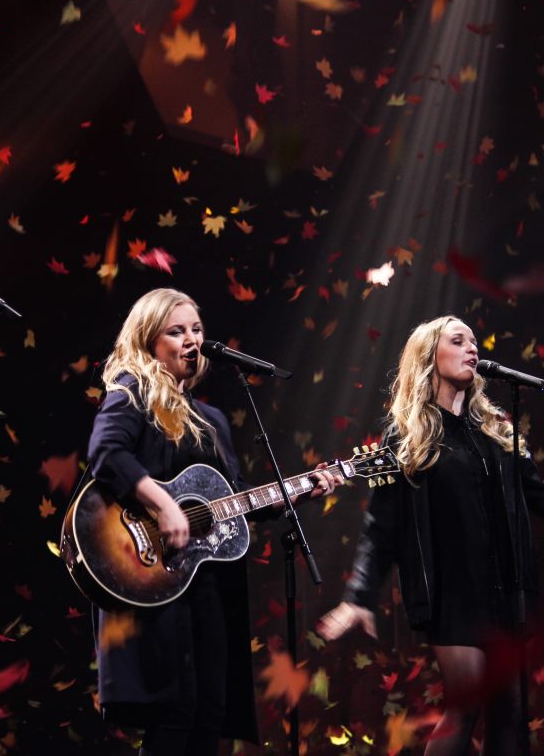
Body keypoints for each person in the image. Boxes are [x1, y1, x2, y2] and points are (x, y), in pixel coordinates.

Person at [317, 316, 544, 756]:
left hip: (504, 589)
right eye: (458, 341)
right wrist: (359, 598)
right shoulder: (407, 437)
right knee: (466, 703)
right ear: (429, 356)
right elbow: (380, 526)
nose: (472, 349)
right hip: (451, 593)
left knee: (510, 709)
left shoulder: (496, 432)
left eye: (474, 342)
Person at [87, 287, 340, 756]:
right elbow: (106, 454)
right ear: (148, 339)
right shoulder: (132, 391)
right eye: (176, 331)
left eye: (197, 330)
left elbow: (233, 499)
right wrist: (164, 505)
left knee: (210, 712)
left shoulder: (212, 419)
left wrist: (300, 491)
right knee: (173, 713)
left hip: (204, 582)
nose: (192, 339)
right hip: (150, 572)